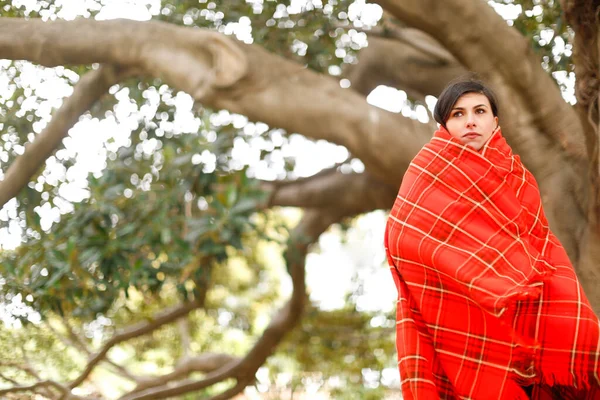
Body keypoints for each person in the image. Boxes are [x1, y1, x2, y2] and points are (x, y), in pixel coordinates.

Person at [384, 77, 600, 399]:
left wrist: (516, 283)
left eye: (479, 111)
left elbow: (538, 242)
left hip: (526, 312)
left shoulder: (517, 173)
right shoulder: (425, 173)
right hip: (459, 315)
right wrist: (477, 279)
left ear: (494, 121)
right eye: (458, 114)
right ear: (444, 125)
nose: (470, 121)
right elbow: (402, 238)